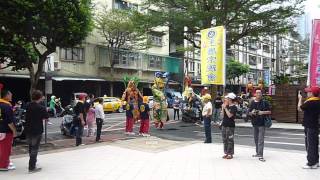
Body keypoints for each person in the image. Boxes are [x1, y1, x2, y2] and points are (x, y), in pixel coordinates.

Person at [24, 90, 49, 173]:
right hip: (37, 130)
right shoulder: (41, 108)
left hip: (28, 129)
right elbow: (46, 118)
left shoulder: (27, 105)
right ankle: (31, 167)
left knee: (31, 147)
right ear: (40, 97)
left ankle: (33, 163)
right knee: (35, 148)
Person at [298, 86, 320, 169]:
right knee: (314, 144)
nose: (307, 93)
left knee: (310, 145)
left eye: (308, 92)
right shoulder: (317, 101)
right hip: (315, 125)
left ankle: (311, 163)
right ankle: (316, 161)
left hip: (310, 126)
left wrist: (300, 98)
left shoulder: (310, 102)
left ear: (312, 93)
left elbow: (299, 108)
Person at [248, 89, 271, 162]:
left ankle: (260, 154)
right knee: (256, 139)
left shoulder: (265, 102)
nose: (258, 94)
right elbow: (249, 112)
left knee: (260, 140)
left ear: (261, 94)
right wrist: (251, 113)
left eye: (259, 93)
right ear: (255, 94)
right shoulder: (252, 102)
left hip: (262, 123)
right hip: (254, 123)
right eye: (257, 93)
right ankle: (257, 152)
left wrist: (262, 112)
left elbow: (269, 111)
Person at [0, 90, 17, 171]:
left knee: (2, 148)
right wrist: (14, 131)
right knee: (6, 149)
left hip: (1, 130)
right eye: (10, 94)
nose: (11, 96)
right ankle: (3, 166)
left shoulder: (2, 104)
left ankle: (5, 162)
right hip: (6, 131)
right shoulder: (6, 106)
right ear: (6, 95)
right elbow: (9, 121)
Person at [221, 93, 237, 159]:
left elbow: (230, 115)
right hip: (224, 124)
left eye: (227, 98)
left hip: (230, 126)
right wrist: (223, 108)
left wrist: (225, 108)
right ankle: (226, 153)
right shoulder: (226, 106)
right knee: (224, 139)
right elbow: (222, 116)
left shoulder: (234, 107)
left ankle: (230, 153)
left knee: (230, 139)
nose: (226, 99)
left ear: (230, 99)